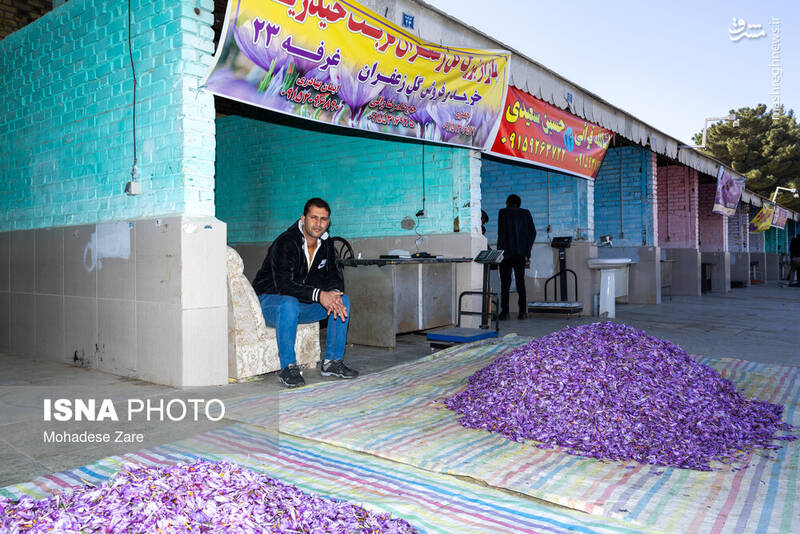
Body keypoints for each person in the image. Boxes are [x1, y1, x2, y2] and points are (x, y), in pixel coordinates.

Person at [252, 198, 358, 387]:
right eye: (314, 218)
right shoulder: (286, 242)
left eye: (323, 219)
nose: (318, 224)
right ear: (303, 218)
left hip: (299, 305)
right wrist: (319, 295)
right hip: (270, 303)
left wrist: (333, 293)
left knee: (343, 300)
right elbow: (284, 286)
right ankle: (288, 367)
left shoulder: (326, 245)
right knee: (289, 302)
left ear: (328, 222)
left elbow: (334, 275)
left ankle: (332, 362)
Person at [497, 194, 536, 320]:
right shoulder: (526, 213)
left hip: (506, 253)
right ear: (519, 203)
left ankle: (505, 312)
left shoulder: (502, 213)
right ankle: (523, 312)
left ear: (508, 202)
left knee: (505, 284)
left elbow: (501, 233)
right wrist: (527, 251)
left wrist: (500, 252)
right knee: (520, 283)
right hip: (520, 253)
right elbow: (533, 233)